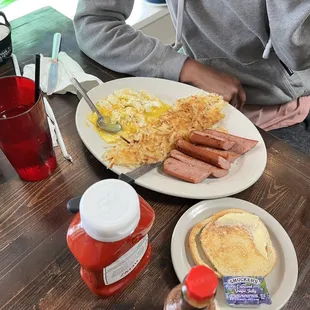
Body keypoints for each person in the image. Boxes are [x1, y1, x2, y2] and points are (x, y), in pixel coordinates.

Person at [74, 1, 310, 154]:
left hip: (281, 110)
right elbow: (93, 24)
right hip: (192, 99)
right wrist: (186, 68)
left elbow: (297, 51)